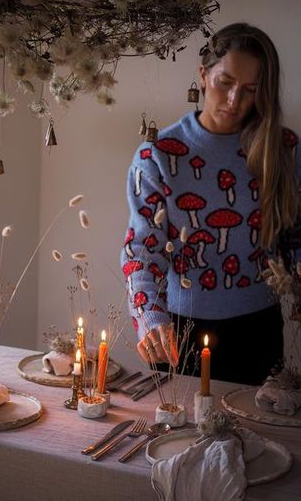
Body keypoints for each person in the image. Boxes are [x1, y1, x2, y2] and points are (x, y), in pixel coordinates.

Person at [121, 23, 301, 385]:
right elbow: (143, 249)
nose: (236, 101)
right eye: (226, 83)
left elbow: (295, 232)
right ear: (203, 76)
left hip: (259, 327)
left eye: (251, 90)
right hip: (180, 329)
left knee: (259, 439)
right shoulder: (158, 154)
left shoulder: (282, 148)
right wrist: (149, 317)